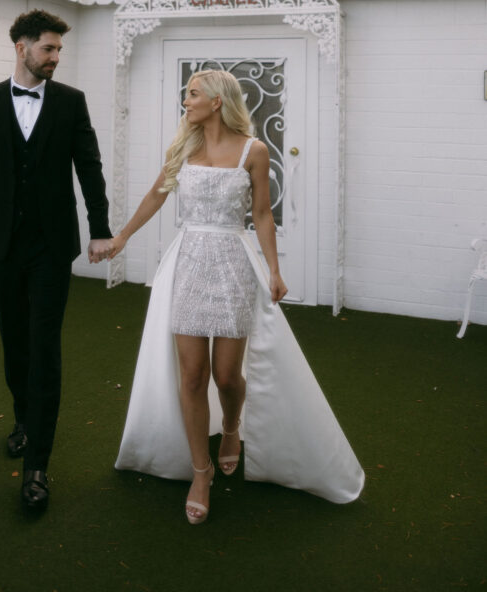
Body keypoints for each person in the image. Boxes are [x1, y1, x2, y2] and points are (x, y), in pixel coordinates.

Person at [91, 69, 364, 523]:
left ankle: (232, 427)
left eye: (193, 94)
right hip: (189, 263)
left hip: (234, 264)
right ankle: (201, 472)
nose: (186, 101)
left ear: (217, 101)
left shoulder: (254, 151)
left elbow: (261, 215)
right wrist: (121, 238)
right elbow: (157, 195)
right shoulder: (185, 147)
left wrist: (274, 270)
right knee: (193, 375)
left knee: (227, 376)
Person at [0, 8, 112, 515]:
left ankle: (37, 467)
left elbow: (89, 166)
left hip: (51, 245)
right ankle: (25, 419)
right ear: (21, 47)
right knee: (15, 344)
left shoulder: (71, 103)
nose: (55, 58)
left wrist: (100, 227)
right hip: (2, 243)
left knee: (44, 347)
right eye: (48, 48)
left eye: (59, 50)